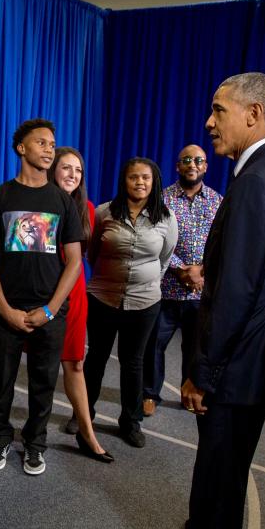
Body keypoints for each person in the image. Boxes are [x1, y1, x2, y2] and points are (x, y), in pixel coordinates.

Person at [148, 73, 265, 529]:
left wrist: (202, 371)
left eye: (219, 110)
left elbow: (236, 289)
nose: (208, 122)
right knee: (230, 463)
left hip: (240, 357)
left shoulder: (255, 183)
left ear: (253, 113)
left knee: (220, 466)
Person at [0, 119, 83, 476]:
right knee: (1, 382)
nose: (50, 148)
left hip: (49, 313)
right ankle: (0, 439)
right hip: (7, 311)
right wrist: (5, 309)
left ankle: (35, 444)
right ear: (21, 148)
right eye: (42, 142)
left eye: (53, 143)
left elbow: (74, 262)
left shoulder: (63, 202)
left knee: (43, 383)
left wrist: (51, 310)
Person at [84, 158, 178, 449]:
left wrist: (146, 282)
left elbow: (164, 258)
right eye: (133, 177)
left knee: (133, 362)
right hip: (103, 297)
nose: (139, 182)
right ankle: (84, 415)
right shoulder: (104, 212)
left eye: (145, 178)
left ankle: (130, 420)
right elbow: (92, 252)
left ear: (154, 182)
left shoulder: (166, 218)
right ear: (123, 181)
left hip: (144, 302)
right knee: (96, 358)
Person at [141, 145, 223, 416]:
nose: (192, 164)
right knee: (154, 344)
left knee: (195, 347)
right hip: (166, 288)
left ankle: (191, 393)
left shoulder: (217, 201)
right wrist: (179, 269)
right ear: (178, 166)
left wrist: (201, 271)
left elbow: (222, 243)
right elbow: (154, 238)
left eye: (198, 160)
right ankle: (150, 394)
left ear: (206, 166)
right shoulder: (162, 199)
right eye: (186, 160)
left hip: (201, 291)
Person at [48, 148, 113, 463]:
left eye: (78, 170)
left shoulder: (87, 209)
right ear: (53, 170)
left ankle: (87, 434)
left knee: (74, 364)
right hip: (42, 293)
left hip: (74, 294)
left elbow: (91, 255)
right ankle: (26, 437)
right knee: (41, 366)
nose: (73, 174)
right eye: (66, 168)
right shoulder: (39, 202)